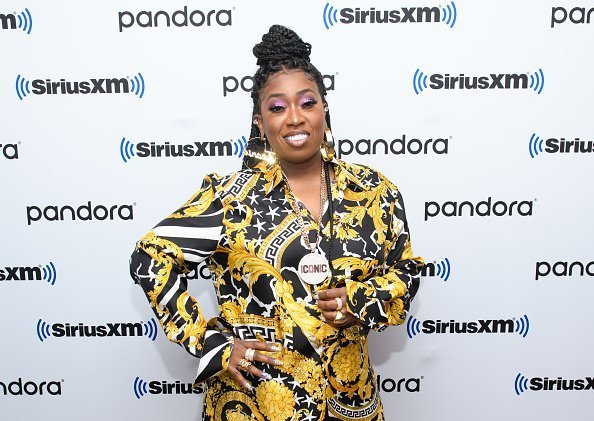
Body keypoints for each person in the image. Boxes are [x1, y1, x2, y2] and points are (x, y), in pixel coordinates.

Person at [129, 25, 423, 421]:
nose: (295, 119)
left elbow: (405, 272)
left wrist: (362, 300)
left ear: (324, 109)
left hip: (350, 405)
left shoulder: (373, 190)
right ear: (259, 122)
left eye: (307, 102)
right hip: (256, 406)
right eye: (277, 107)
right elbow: (150, 257)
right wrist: (211, 344)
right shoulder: (229, 198)